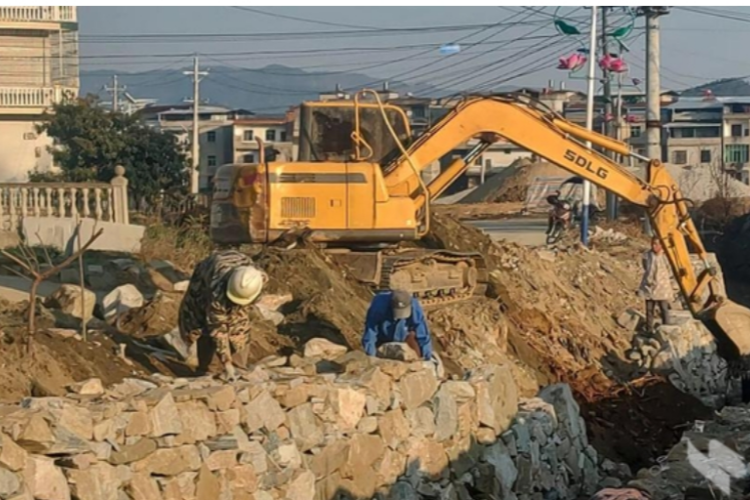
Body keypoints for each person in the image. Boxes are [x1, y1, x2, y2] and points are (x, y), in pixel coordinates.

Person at [177, 249, 268, 380]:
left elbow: (244, 311)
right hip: (206, 276)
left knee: (240, 323)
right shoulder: (217, 289)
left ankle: (240, 368)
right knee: (202, 321)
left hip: (236, 268)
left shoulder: (257, 279)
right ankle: (209, 370)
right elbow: (217, 328)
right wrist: (227, 362)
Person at [362, 289, 433, 362]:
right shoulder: (379, 306)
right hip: (383, 337)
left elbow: (422, 334)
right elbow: (370, 332)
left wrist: (426, 357)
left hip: (405, 337)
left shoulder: (414, 306)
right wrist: (372, 357)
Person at [638, 236, 673, 333]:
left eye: (658, 244)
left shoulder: (666, 256)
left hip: (662, 286)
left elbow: (670, 269)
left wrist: (663, 278)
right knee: (649, 309)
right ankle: (649, 329)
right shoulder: (647, 255)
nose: (655, 246)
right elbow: (645, 267)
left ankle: (667, 329)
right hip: (649, 285)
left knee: (663, 308)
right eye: (654, 244)